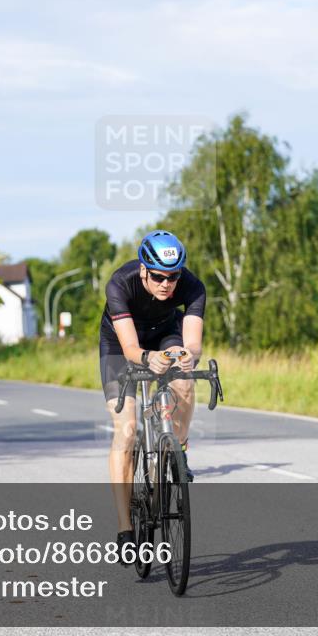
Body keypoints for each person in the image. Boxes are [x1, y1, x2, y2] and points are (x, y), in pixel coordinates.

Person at [100, 230, 205, 560]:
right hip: (120, 346)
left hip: (164, 334)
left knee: (185, 380)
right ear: (144, 270)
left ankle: (179, 446)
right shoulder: (121, 283)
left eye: (173, 277)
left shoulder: (192, 285)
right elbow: (131, 348)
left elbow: (194, 344)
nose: (166, 284)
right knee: (127, 431)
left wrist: (187, 356)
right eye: (158, 276)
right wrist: (147, 359)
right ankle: (124, 529)